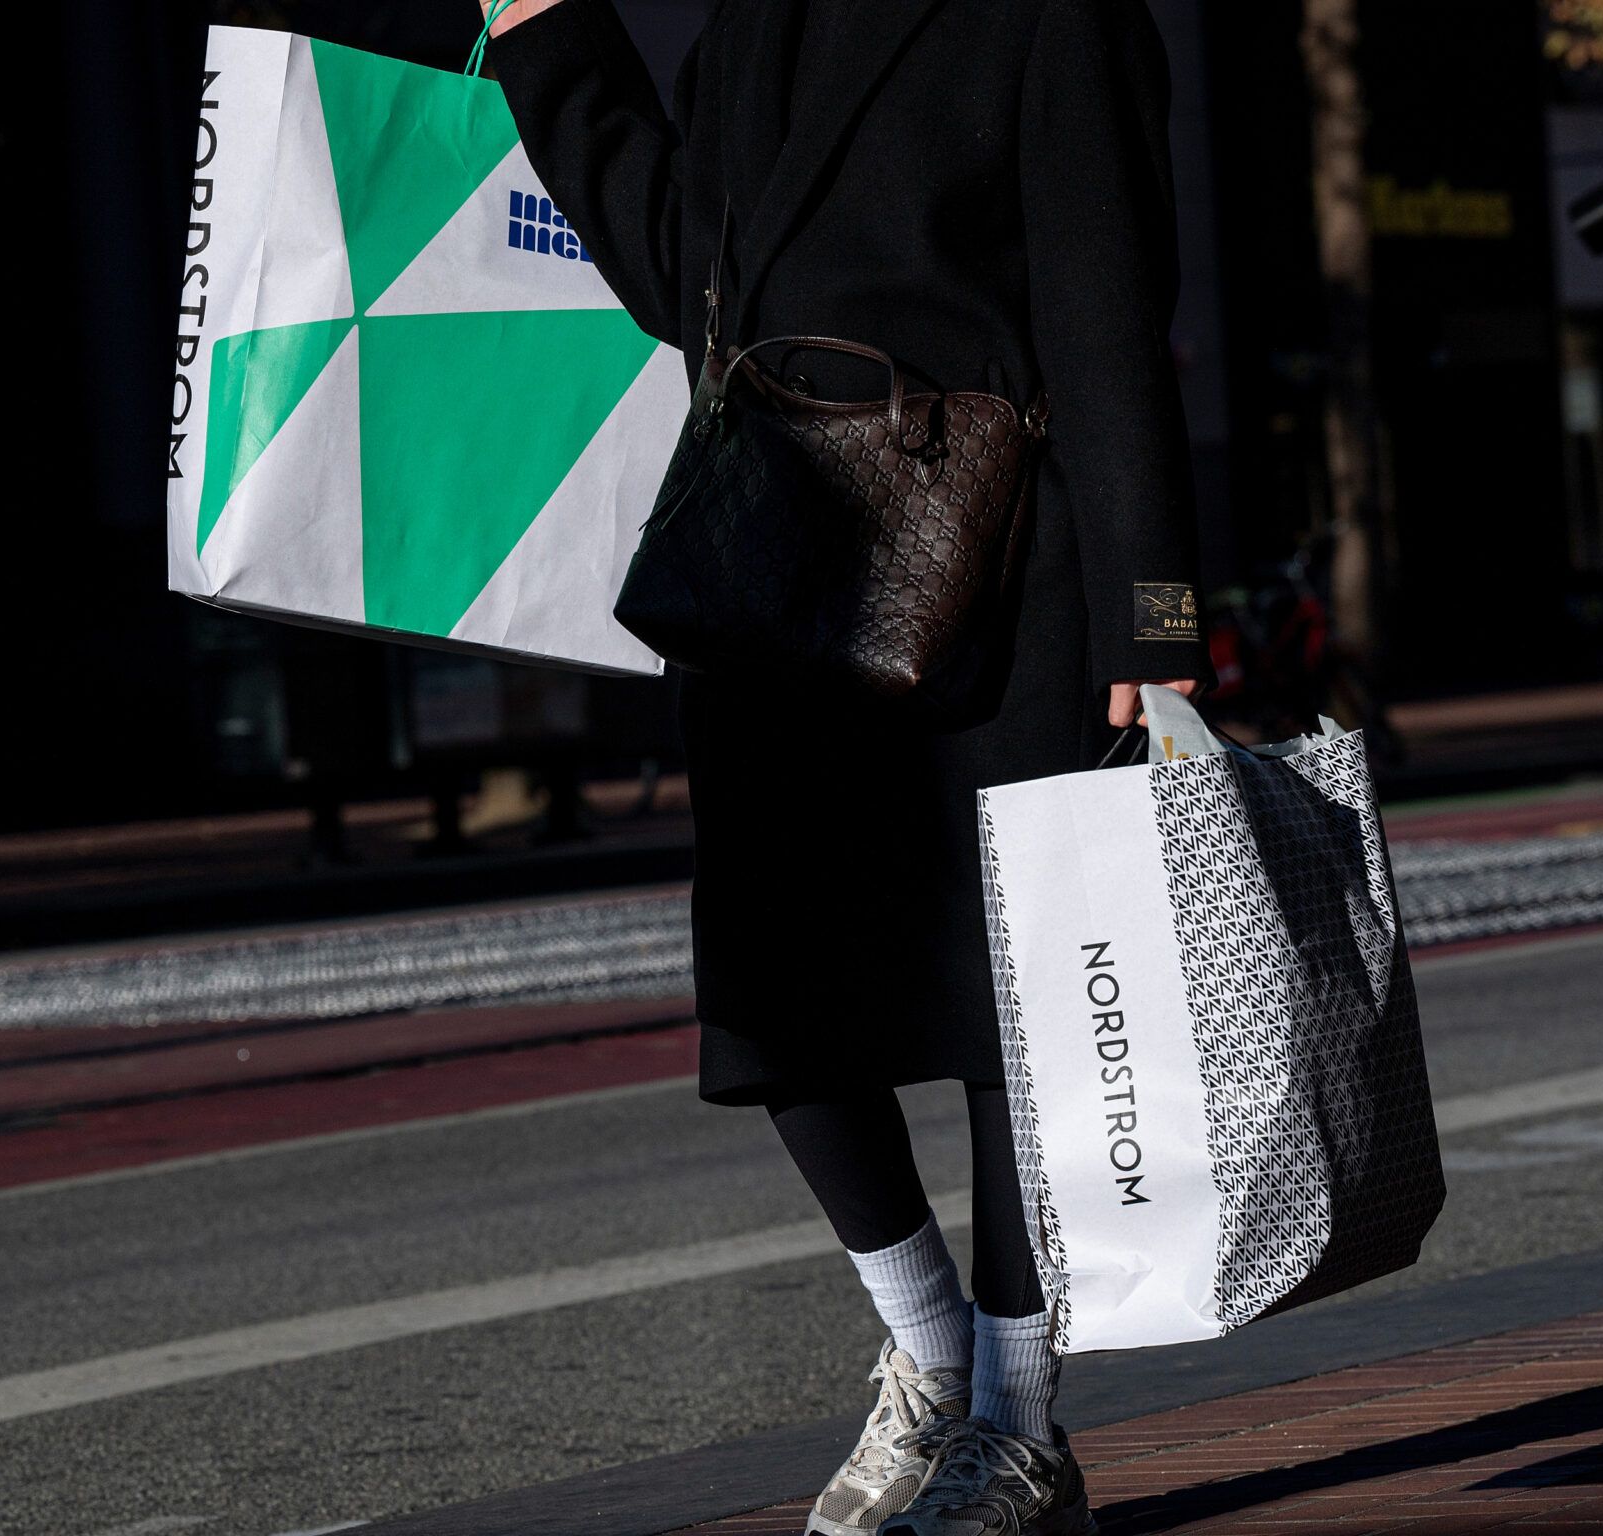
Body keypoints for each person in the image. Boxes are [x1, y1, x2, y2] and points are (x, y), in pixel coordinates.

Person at [480, 2, 1209, 1530]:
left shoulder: (1055, 23)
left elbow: (1111, 311)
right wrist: (555, 47)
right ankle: (933, 1358)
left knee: (1010, 1024)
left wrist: (1154, 622)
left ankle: (1018, 1428)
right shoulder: (752, 29)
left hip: (1009, 571)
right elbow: (686, 280)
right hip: (779, 553)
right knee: (778, 1007)